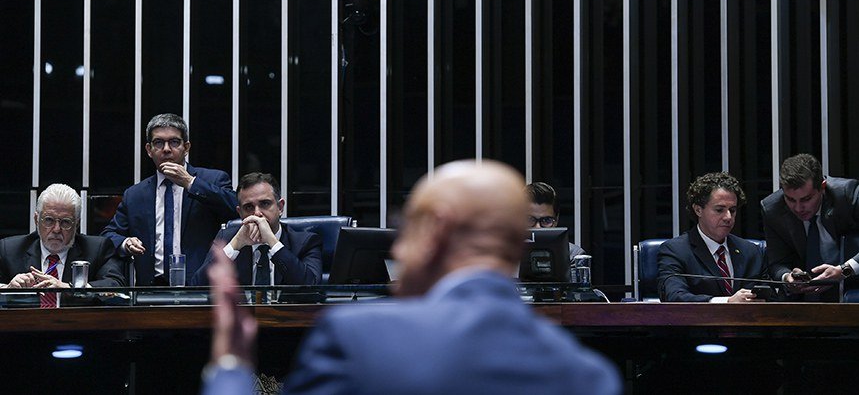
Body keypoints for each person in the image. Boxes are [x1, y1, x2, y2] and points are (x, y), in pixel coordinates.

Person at [200, 160, 621, 395]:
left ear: (435, 231)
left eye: (407, 229)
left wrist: (231, 363)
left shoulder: (359, 338)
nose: (398, 250)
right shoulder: (589, 375)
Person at [101, 113, 238, 286]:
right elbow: (108, 236)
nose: (166, 149)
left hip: (202, 287)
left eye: (174, 142)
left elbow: (236, 208)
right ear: (149, 150)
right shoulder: (135, 195)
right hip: (151, 290)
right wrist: (126, 242)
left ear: (186, 147)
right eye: (159, 143)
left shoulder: (213, 180)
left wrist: (190, 183)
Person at [190, 173, 322, 286]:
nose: (257, 213)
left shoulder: (305, 242)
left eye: (265, 204)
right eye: (248, 207)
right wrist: (235, 244)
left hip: (285, 315)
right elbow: (197, 287)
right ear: (240, 213)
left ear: (280, 207)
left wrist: (272, 242)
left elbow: (312, 288)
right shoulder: (227, 237)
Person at [658, 172, 770, 302]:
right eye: (719, 210)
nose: (728, 217)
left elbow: (770, 295)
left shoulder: (751, 251)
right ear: (698, 210)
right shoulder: (675, 251)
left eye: (732, 210)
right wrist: (726, 302)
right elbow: (674, 296)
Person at [761, 153, 859, 300]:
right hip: (806, 297)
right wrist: (787, 277)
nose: (798, 208)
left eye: (806, 199)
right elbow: (777, 262)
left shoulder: (848, 194)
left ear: (822, 187)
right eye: (790, 199)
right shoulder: (772, 209)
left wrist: (845, 270)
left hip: (854, 286)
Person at [0, 183, 125, 293]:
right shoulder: (10, 249)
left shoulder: (97, 249)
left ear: (76, 224)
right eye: (49, 220)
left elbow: (115, 284)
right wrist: (7, 289)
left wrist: (69, 288)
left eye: (65, 222)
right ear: (36, 220)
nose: (56, 229)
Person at [526, 182, 586, 274]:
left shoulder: (572, 255)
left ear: (556, 220)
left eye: (546, 221)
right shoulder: (503, 254)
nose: (538, 228)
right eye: (530, 219)